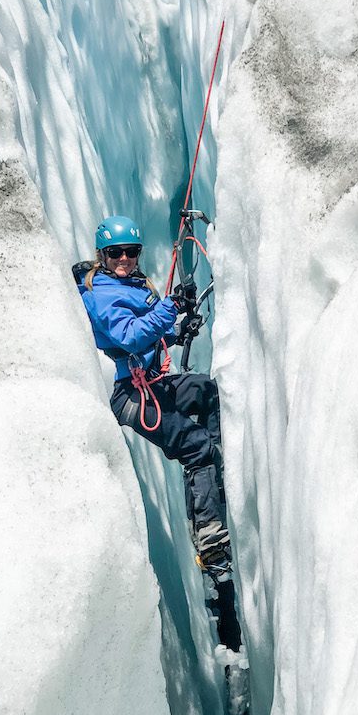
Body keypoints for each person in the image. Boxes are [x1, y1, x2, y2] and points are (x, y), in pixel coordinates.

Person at [74, 215, 232, 580]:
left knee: (206, 391)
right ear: (102, 254)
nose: (125, 259)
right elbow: (128, 337)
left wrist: (177, 331)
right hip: (131, 396)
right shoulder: (101, 292)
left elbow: (147, 339)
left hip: (151, 383)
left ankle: (212, 475)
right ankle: (208, 533)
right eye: (116, 253)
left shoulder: (130, 284)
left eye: (131, 252)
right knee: (194, 446)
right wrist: (170, 309)